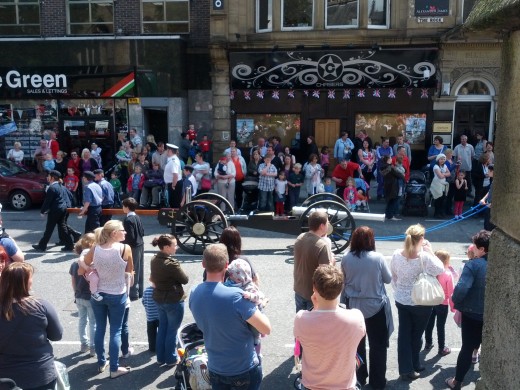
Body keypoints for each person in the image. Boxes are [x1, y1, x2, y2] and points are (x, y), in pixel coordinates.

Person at [189, 243, 272, 389]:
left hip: (215, 367)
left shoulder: (194, 293)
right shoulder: (237, 297)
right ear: (226, 265)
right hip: (244, 368)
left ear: (203, 264)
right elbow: (266, 328)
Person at [294, 264, 365, 390]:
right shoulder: (356, 317)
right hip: (345, 386)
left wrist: (315, 308)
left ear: (314, 288)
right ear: (341, 288)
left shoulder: (301, 319)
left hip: (312, 386)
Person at [390, 224, 444, 381]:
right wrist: (431, 251)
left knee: (404, 335)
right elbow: (440, 269)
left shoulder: (396, 254)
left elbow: (394, 276)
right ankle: (413, 364)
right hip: (421, 302)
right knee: (416, 334)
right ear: (421, 239)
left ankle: (407, 367)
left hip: (402, 300)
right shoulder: (425, 257)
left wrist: (400, 290)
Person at [341, 226, 393, 389]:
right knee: (378, 346)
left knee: (356, 345)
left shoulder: (346, 258)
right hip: (375, 306)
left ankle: (359, 377)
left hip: (353, 307)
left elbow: (343, 280)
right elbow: (388, 279)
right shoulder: (377, 258)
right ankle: (377, 382)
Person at [82, 220, 134, 379]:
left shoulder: (95, 248)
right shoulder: (125, 248)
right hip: (117, 293)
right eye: (122, 231)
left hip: (98, 294)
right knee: (116, 331)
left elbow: (84, 263)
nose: (125, 233)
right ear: (113, 233)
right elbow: (130, 272)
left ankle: (101, 362)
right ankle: (114, 368)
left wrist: (93, 272)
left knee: (100, 328)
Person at [0, 262, 63, 389]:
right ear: (24, 282)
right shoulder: (41, 305)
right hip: (40, 374)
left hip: (6, 378)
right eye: (30, 278)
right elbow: (57, 335)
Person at [445, 230, 491, 390]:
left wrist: (455, 300)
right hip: (491, 314)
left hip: (472, 313)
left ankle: (457, 381)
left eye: (476, 248)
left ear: (482, 249)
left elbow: (462, 288)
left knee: (466, 347)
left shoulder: (473, 265)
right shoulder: (500, 264)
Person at [149, 234, 189, 366]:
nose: (176, 247)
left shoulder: (154, 260)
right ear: (166, 247)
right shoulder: (171, 264)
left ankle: (161, 358)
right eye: (174, 245)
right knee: (172, 330)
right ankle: (171, 358)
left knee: (163, 328)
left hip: (159, 299)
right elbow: (185, 279)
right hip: (173, 300)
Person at [293, 211, 335, 312]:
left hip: (299, 289)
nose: (329, 224)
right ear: (321, 226)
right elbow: (325, 273)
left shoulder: (300, 237)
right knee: (314, 325)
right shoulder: (322, 245)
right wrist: (332, 262)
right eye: (327, 222)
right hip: (312, 294)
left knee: (302, 323)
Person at [424, 250, 458, 357]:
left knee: (429, 323)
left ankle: (428, 343)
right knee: (440, 326)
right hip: (442, 303)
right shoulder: (447, 274)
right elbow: (451, 292)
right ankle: (441, 348)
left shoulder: (430, 272)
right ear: (447, 261)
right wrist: (453, 307)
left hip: (430, 302)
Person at [32, 170, 75, 252]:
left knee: (49, 228)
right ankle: (69, 245)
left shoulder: (52, 188)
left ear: (52, 178)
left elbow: (47, 201)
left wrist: (42, 211)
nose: (47, 177)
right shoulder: (60, 186)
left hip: (55, 210)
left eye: (48, 176)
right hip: (63, 209)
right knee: (63, 227)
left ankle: (42, 246)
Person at [70, 234, 97, 357]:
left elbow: (73, 281)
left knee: (82, 320)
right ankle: (93, 346)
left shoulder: (75, 264)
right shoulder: (91, 264)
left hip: (79, 296)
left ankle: (83, 344)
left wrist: (76, 293)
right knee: (93, 322)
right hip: (90, 296)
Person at [122, 197, 145, 300]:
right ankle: (140, 291)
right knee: (140, 268)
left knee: (132, 269)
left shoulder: (127, 220)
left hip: (133, 247)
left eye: (123, 206)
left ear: (127, 207)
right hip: (140, 244)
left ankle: (133, 293)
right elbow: (142, 232)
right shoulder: (137, 217)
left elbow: (129, 237)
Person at [379, 155, 405, 221]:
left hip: (387, 184)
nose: (391, 159)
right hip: (393, 185)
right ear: (388, 159)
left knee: (389, 200)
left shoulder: (383, 166)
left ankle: (387, 214)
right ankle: (390, 216)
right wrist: (403, 176)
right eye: (390, 158)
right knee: (393, 200)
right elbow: (399, 175)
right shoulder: (390, 167)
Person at [430, 153, 451, 218]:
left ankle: (441, 212)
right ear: (438, 159)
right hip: (437, 184)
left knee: (442, 199)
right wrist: (445, 174)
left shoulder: (444, 166)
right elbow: (440, 176)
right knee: (438, 199)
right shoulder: (436, 167)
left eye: (444, 159)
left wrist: (443, 174)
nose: (442, 160)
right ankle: (436, 213)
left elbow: (449, 173)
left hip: (443, 184)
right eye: (441, 159)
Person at [142, 282, 160, 353]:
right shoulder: (159, 291)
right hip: (159, 316)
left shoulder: (147, 290)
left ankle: (152, 348)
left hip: (150, 316)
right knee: (161, 332)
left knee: (151, 333)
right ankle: (160, 346)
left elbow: (143, 301)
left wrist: (147, 307)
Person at [163, 143, 182, 208]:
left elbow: (175, 175)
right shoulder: (171, 159)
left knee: (174, 202)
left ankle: (176, 217)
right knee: (172, 202)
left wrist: (173, 185)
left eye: (167, 150)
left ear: (170, 151)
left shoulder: (173, 161)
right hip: (173, 183)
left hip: (174, 184)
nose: (166, 151)